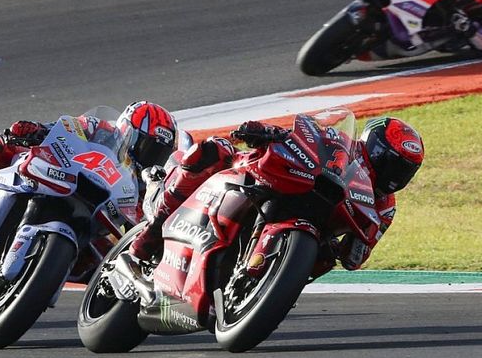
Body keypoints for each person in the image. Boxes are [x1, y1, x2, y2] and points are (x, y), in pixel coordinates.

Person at [126, 116, 424, 277]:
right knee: (216, 151)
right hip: (280, 180)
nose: (394, 174)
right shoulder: (341, 144)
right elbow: (305, 137)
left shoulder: (385, 208)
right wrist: (266, 132)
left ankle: (269, 279)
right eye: (389, 160)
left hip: (315, 225)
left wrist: (354, 241)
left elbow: (354, 260)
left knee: (325, 257)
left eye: (404, 169)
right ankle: (148, 236)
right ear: (370, 144)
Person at [0, 101, 179, 254]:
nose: (149, 157)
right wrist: (35, 130)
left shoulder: (146, 185)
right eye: (147, 146)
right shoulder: (102, 129)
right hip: (57, 175)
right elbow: (67, 128)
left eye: (158, 152)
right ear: (127, 131)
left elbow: (145, 221)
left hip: (91, 225)